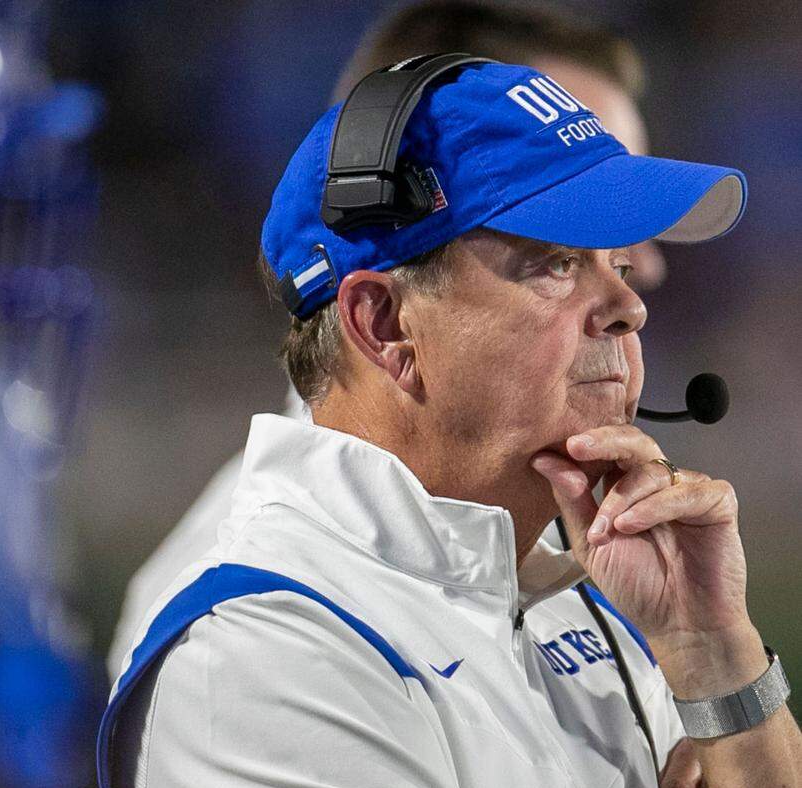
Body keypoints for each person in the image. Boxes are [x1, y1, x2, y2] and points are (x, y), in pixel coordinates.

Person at [96, 52, 802, 788]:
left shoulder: (572, 581)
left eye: (617, 258)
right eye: (556, 260)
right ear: (385, 325)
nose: (628, 305)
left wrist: (718, 655)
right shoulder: (253, 653)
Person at [108, 0, 667, 681]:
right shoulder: (247, 619)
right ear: (384, 320)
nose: (637, 285)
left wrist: (721, 672)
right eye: (560, 243)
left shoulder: (555, 553)